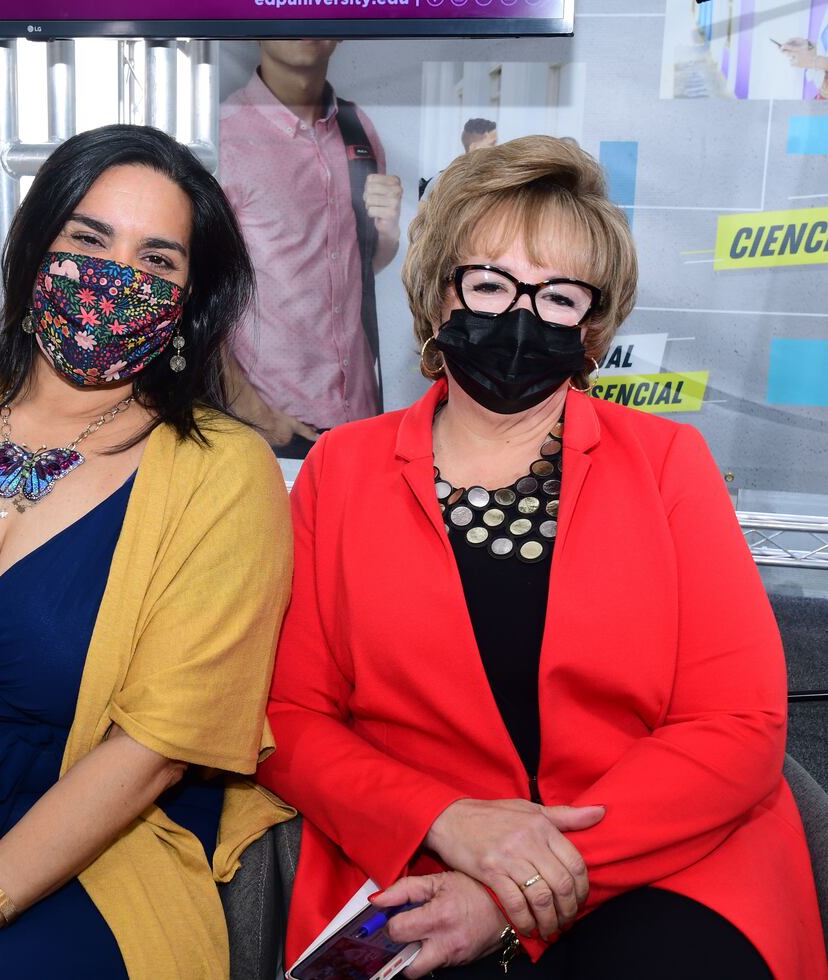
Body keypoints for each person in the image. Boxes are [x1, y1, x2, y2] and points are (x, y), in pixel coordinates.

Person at [257, 135, 826, 978]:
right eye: (488, 284)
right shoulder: (342, 470)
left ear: (591, 326)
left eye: (557, 296)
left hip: (669, 865)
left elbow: (737, 724)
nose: (519, 317)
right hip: (426, 865)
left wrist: (514, 887)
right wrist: (446, 818)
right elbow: (292, 720)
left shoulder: (670, 463)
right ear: (437, 293)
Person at [0, 125, 292, 978]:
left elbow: (154, 753)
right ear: (33, 251)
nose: (114, 277)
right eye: (89, 240)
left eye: (156, 262)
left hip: (84, 858)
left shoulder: (224, 474)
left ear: (188, 305)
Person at [220, 39, 404, 458]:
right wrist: (254, 413)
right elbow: (193, 298)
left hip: (359, 417)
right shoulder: (223, 135)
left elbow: (358, 264)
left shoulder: (359, 128)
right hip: (270, 426)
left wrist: (388, 232)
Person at [420, 117, 498, 200]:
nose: (497, 147)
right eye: (492, 143)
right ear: (475, 147)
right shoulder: (442, 181)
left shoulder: (441, 179)